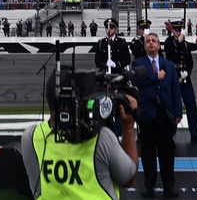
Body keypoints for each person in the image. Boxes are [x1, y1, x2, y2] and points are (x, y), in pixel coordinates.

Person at [20, 71, 138, 199]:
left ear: (46, 97)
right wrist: (128, 128)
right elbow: (128, 178)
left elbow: (37, 191)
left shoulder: (31, 138)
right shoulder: (101, 138)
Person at [131, 32, 182, 198]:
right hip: (146, 113)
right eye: (148, 41)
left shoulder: (169, 64)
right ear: (145, 46)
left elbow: (175, 89)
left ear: (159, 46)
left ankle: (169, 185)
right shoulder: (138, 63)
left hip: (165, 113)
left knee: (167, 151)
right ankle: (148, 185)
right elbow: (136, 81)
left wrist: (178, 112)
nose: (151, 43)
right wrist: (155, 76)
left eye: (154, 41)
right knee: (147, 152)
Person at [162, 18, 197, 143]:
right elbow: (170, 52)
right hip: (173, 77)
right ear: (172, 30)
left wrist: (187, 71)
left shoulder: (185, 44)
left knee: (191, 105)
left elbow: (190, 60)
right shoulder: (169, 41)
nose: (178, 32)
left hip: (185, 77)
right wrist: (179, 39)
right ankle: (171, 133)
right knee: (173, 107)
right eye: (176, 30)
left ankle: (195, 134)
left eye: (180, 30)